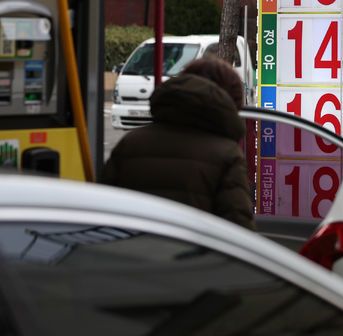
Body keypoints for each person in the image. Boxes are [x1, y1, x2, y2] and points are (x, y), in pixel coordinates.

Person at [102, 56, 256, 230]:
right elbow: (239, 227)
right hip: (194, 247)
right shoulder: (227, 155)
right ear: (230, 102)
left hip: (131, 245)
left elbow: (104, 209)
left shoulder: (131, 143)